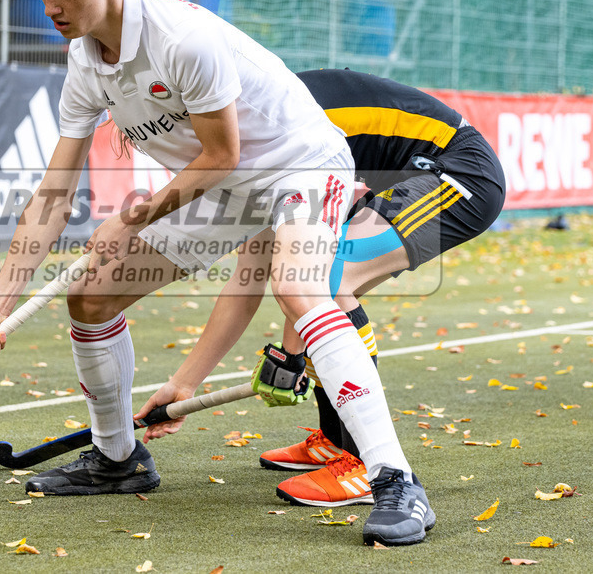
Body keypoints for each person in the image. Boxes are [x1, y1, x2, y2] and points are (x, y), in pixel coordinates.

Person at [0, 0, 432, 546]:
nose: (52, 8)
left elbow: (223, 153)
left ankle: (397, 482)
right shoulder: (85, 61)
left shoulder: (182, 38)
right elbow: (52, 194)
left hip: (301, 165)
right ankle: (117, 459)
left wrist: (135, 217)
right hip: (224, 189)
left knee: (299, 292)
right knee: (90, 296)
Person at [134, 68, 505, 513]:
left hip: (460, 172)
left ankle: (362, 466)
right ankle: (333, 443)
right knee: (316, 277)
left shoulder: (277, 130)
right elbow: (249, 276)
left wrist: (291, 354)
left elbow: (304, 284)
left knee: (329, 277)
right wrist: (184, 385)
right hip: (405, 177)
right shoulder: (252, 145)